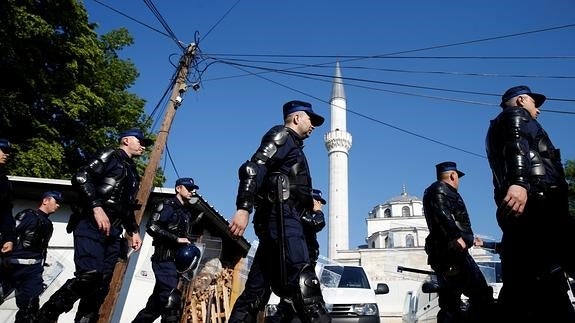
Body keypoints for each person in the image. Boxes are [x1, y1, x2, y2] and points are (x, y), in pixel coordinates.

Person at [228, 100, 330, 323]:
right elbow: (253, 168)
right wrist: (243, 208)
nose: (313, 125)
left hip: (284, 221)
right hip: (281, 219)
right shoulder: (281, 136)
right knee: (305, 283)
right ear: (296, 118)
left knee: (256, 293)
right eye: (310, 119)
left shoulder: (294, 147)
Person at [37, 128, 151, 323]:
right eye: (139, 141)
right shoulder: (109, 155)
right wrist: (96, 207)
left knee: (101, 285)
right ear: (125, 140)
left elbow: (125, 205)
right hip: (91, 224)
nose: (142, 146)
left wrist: (134, 230)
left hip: (114, 232)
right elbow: (81, 177)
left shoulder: (132, 172)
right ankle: (45, 316)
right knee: (90, 275)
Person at [486, 85, 575, 322]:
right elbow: (517, 145)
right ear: (522, 100)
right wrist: (519, 183)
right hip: (540, 209)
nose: (538, 111)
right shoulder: (516, 116)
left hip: (532, 211)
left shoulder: (499, 125)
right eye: (535, 104)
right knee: (541, 274)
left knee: (530, 280)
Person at [227, 188, 327, 323]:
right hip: (293, 262)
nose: (319, 204)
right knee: (301, 299)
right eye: (317, 201)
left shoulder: (297, 213)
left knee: (285, 306)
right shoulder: (295, 214)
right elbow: (317, 223)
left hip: (293, 259)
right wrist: (318, 211)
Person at [423, 161, 493, 323]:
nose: (458, 181)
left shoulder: (438, 190)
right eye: (457, 177)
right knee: (479, 292)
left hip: (450, 251)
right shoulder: (440, 190)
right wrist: (455, 236)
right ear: (453, 175)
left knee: (451, 297)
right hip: (452, 253)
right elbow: (442, 213)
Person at [132, 177, 201, 323]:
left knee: (156, 306)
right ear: (178, 188)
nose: (192, 191)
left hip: (176, 263)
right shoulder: (166, 205)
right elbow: (152, 227)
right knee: (172, 302)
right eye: (188, 188)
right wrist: (175, 239)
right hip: (163, 259)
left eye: (193, 189)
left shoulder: (186, 213)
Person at [6, 191, 62, 322]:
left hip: (33, 270)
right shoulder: (28, 215)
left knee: (30, 309)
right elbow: (9, 234)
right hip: (13, 265)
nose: (58, 205)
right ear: (45, 201)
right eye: (56, 201)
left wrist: (41, 266)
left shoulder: (49, 225)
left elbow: (44, 248)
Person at [0, 139, 16, 303]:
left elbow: (6, 212)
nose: (7, 154)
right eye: (3, 150)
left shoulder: (4, 182)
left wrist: (9, 237)